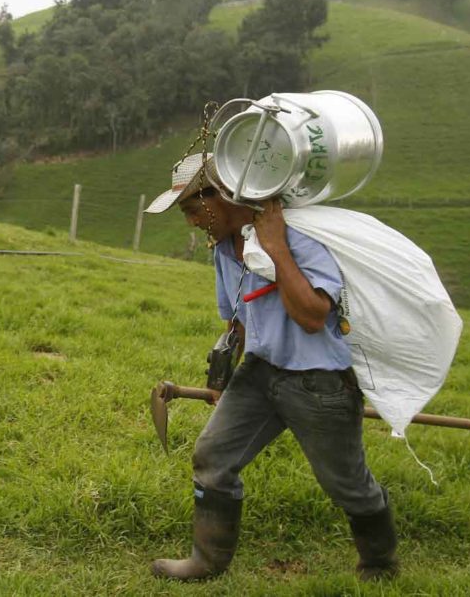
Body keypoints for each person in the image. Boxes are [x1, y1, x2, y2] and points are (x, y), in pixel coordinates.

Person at [145, 153, 398, 582]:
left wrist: (277, 249)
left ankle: (379, 561)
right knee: (213, 457)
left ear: (221, 196)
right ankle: (206, 561)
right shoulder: (224, 247)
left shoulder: (299, 237)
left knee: (346, 484)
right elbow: (238, 318)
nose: (191, 222)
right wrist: (221, 378)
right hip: (260, 375)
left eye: (192, 209)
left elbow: (314, 315)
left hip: (318, 383)